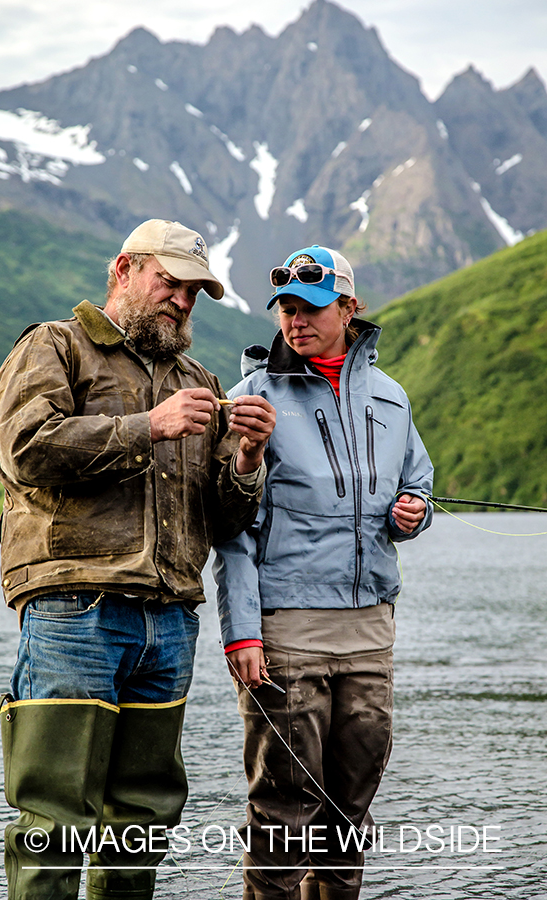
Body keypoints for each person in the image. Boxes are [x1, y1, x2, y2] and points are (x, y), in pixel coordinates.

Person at [0, 218, 276, 900]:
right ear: (124, 270)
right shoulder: (55, 346)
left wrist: (246, 460)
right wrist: (152, 424)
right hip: (72, 609)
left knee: (142, 823)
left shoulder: (197, 378)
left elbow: (226, 519)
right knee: (54, 821)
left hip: (171, 621)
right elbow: (27, 450)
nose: (182, 300)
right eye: (170, 282)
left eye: (195, 292)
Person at [213, 244, 433, 900]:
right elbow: (230, 529)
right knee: (283, 817)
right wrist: (242, 634)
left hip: (371, 633)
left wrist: (411, 514)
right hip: (287, 634)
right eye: (285, 307)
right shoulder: (250, 400)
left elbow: (418, 486)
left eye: (310, 307)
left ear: (349, 307)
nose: (294, 319)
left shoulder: (391, 399)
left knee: (349, 813)